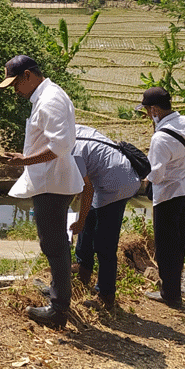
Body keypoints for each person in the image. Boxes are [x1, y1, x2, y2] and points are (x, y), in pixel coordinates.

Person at [0, 55, 84, 328]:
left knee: (54, 244)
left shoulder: (50, 100)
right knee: (54, 243)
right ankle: (59, 292)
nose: (15, 91)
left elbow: (59, 146)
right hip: (49, 180)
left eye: (15, 84)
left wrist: (24, 160)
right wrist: (27, 158)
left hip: (52, 183)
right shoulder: (46, 97)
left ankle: (58, 310)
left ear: (27, 75)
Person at [137, 86, 185, 309]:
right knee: (180, 243)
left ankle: (170, 294)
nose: (146, 115)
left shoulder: (160, 139)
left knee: (165, 246)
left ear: (154, 110)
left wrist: (141, 176)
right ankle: (174, 291)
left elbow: (157, 174)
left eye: (147, 111)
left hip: (169, 196)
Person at [70, 124, 142, 309]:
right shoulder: (77, 129)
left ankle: (106, 295)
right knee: (88, 227)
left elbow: (86, 190)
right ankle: (83, 272)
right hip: (114, 176)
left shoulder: (73, 151)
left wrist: (79, 220)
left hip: (117, 184)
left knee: (104, 243)